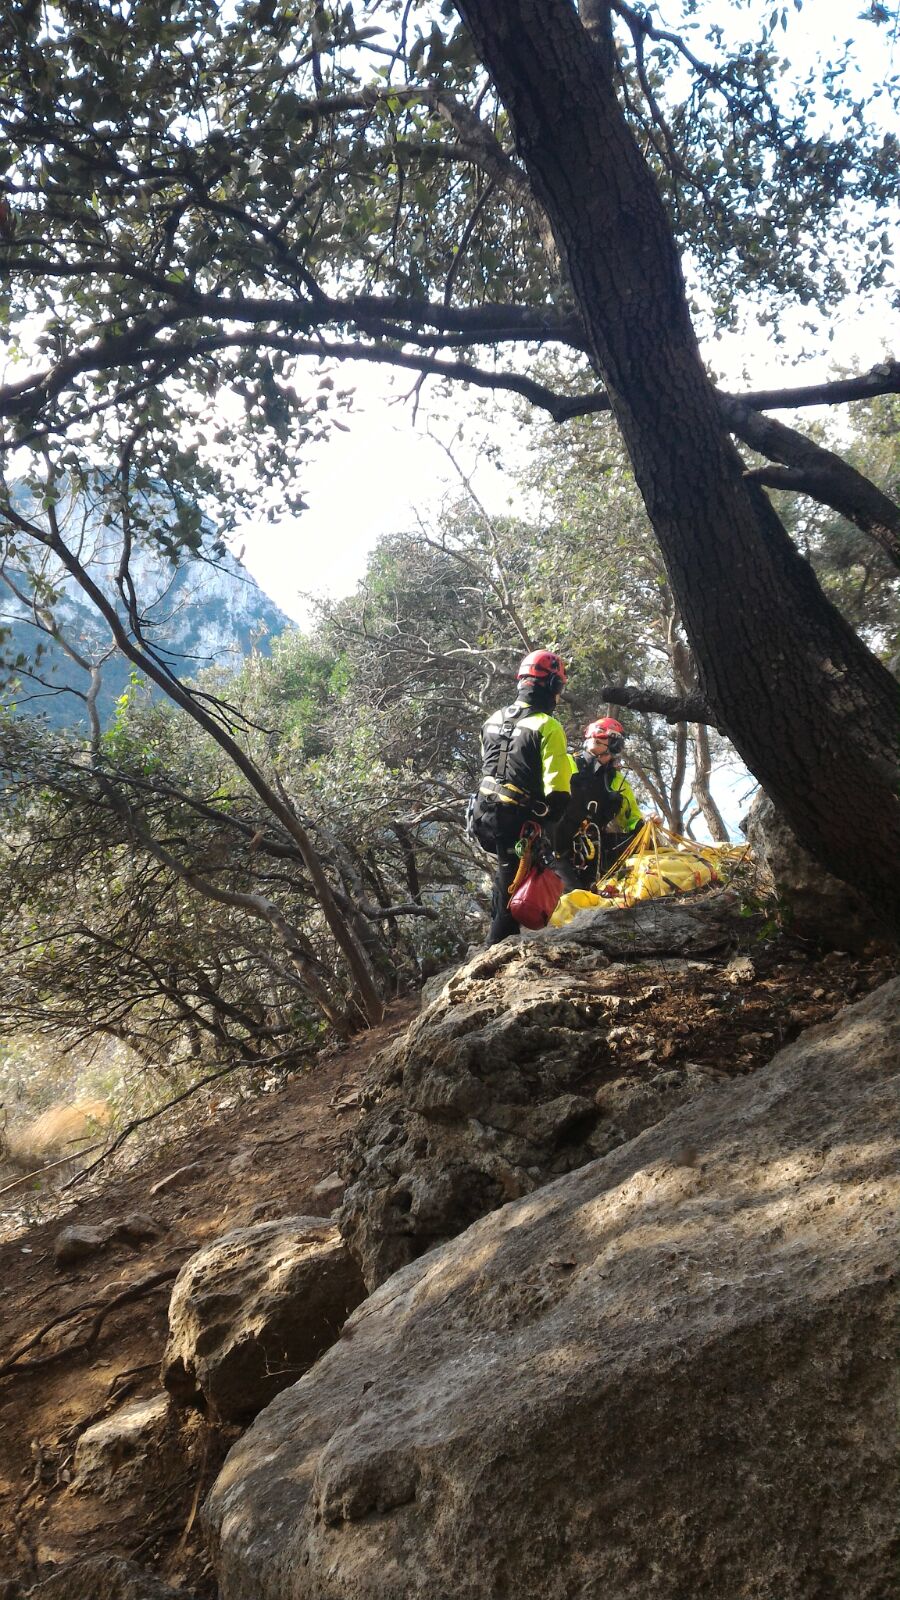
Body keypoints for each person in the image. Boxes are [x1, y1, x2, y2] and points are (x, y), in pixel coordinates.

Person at [472, 649, 571, 944]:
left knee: (506, 879)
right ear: (551, 686)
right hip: (515, 821)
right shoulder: (548, 726)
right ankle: (496, 952)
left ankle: (500, 940)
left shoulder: (492, 719)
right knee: (511, 893)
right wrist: (548, 820)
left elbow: (490, 766)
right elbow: (558, 790)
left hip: (482, 814)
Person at [554, 717, 645, 890]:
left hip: (594, 852)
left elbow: (632, 819)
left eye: (601, 739)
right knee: (573, 897)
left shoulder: (616, 780)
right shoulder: (567, 763)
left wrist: (643, 825)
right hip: (556, 849)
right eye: (594, 738)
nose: (594, 742)